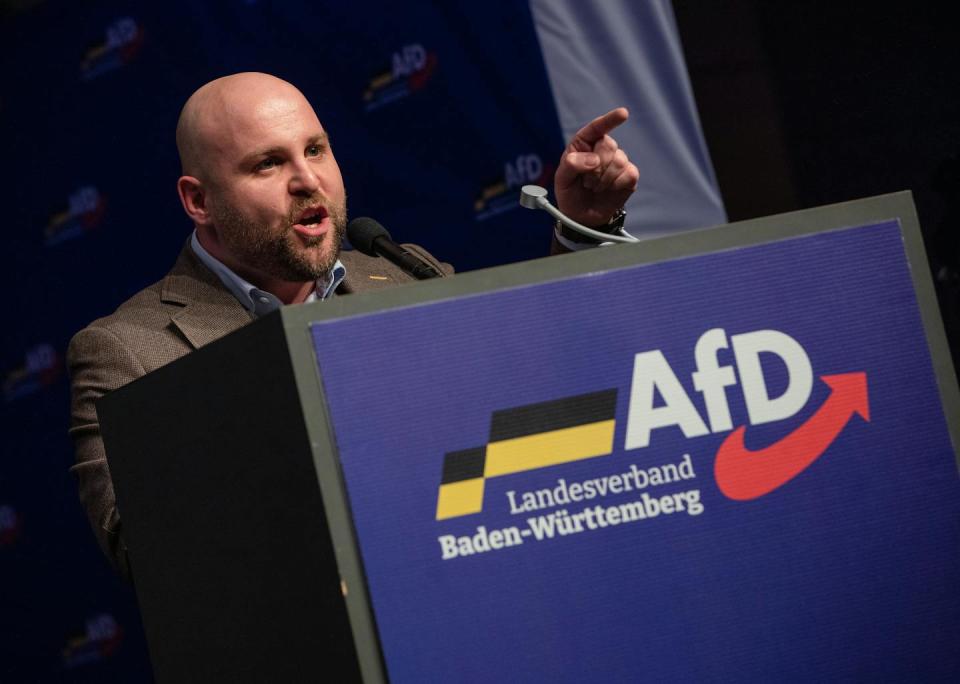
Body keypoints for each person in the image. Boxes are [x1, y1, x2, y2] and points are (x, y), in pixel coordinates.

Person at [67, 72, 640, 578]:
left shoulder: (403, 272)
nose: (307, 180)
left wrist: (581, 231)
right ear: (199, 200)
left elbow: (529, 385)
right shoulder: (127, 351)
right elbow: (142, 554)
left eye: (315, 150)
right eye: (268, 163)